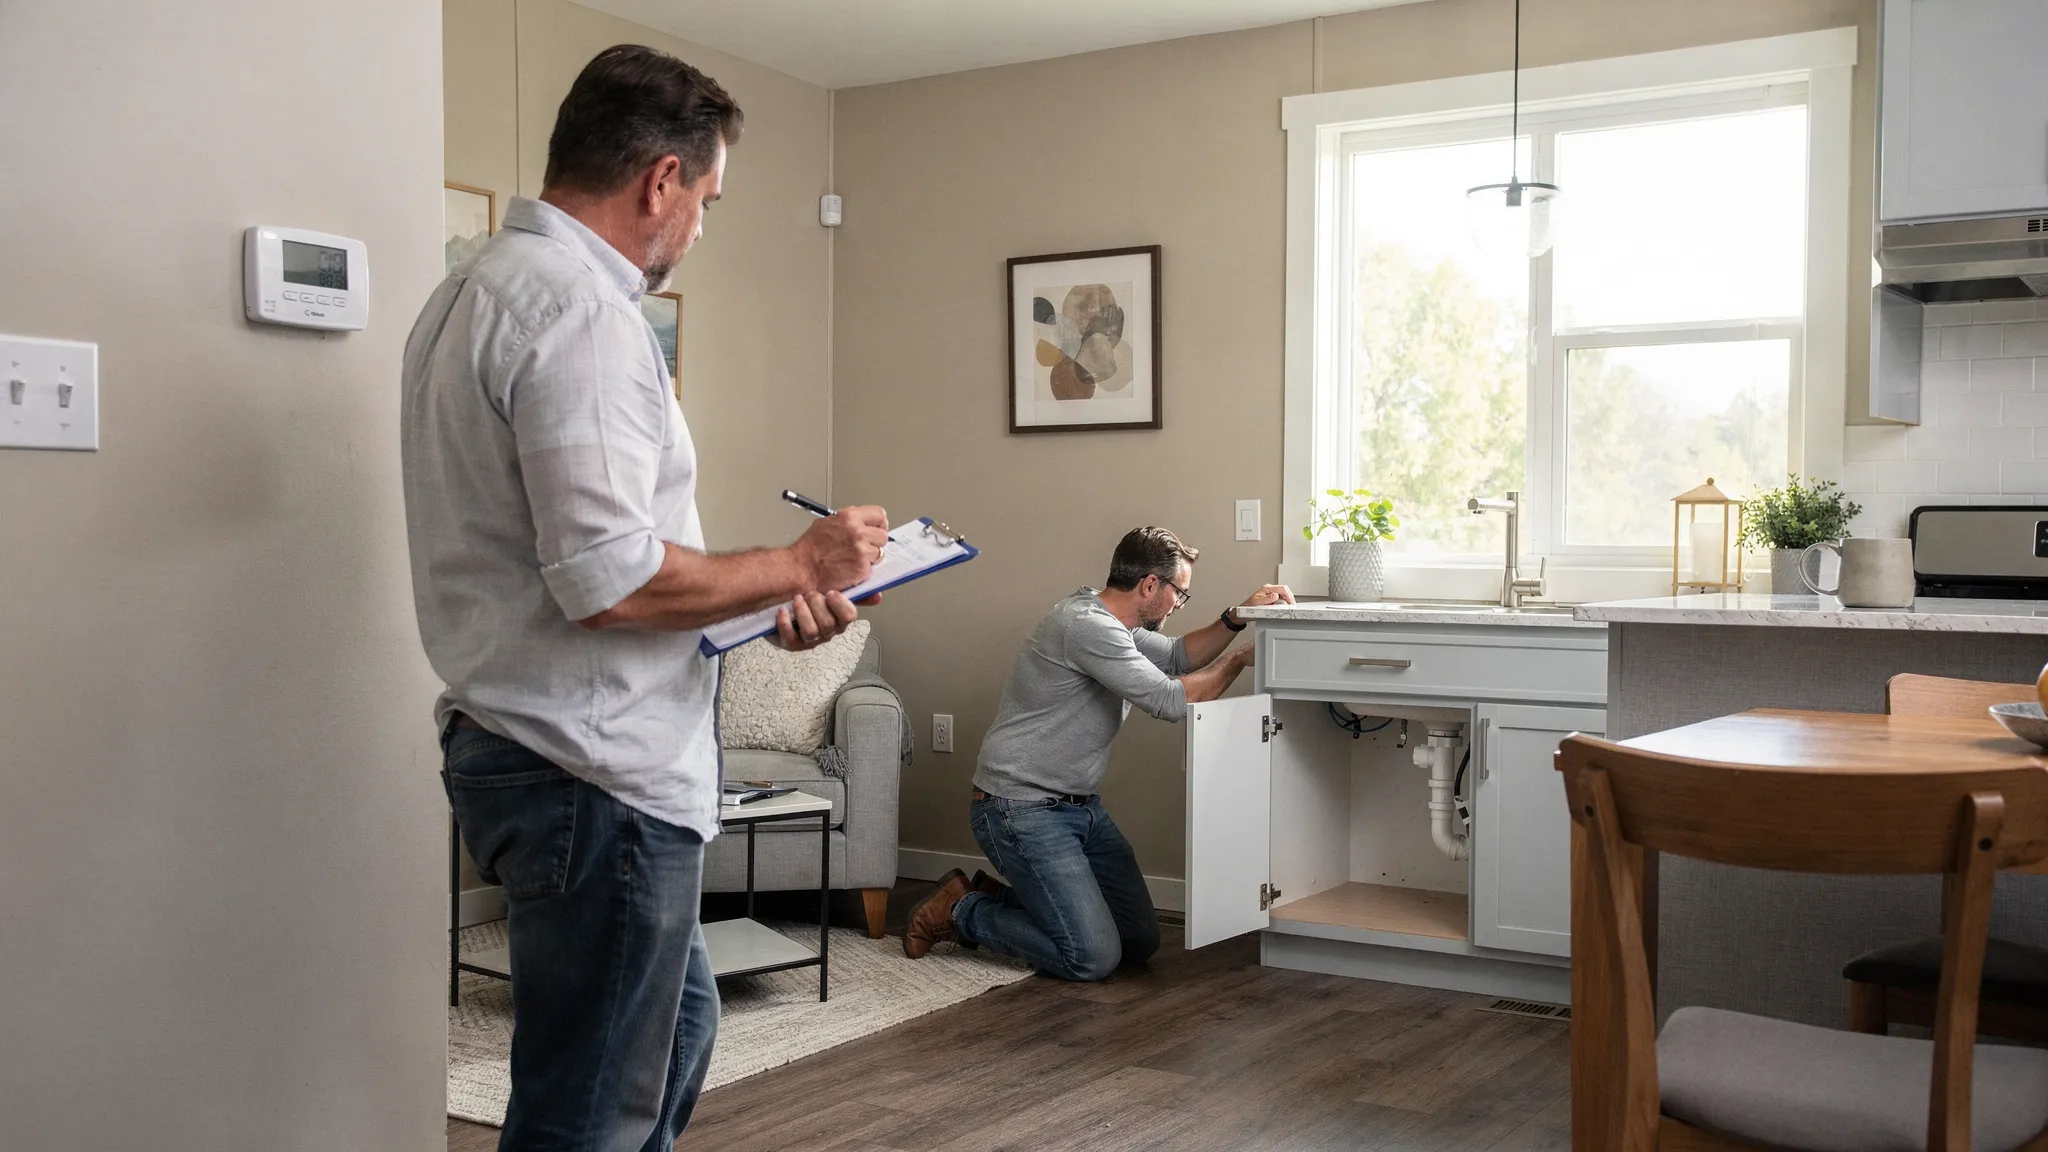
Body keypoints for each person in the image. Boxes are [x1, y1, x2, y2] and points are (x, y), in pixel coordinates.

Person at [400, 45, 888, 1151]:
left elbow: (563, 560)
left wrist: (762, 599)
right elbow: (611, 583)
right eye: (706, 199)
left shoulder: (465, 293)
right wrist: (800, 564)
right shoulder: (578, 313)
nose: (700, 228)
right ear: (660, 179)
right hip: (590, 772)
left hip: (530, 741)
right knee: (592, 1111)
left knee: (665, 1042)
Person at [902, 526, 1293, 980]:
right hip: (1019, 809)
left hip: (1079, 809)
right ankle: (962, 910)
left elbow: (1175, 657)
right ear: (1150, 585)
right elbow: (1170, 700)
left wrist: (1235, 617)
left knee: (1139, 940)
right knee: (1091, 957)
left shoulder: (1113, 621)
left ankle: (1008, 898)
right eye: (1180, 595)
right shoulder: (1086, 626)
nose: (1177, 605)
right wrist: (1237, 661)